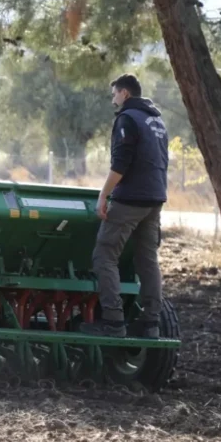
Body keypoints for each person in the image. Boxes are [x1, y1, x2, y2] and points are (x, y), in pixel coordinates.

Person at [80, 74, 169, 339]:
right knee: (147, 259)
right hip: (155, 199)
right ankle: (151, 323)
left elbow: (121, 164)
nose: (113, 100)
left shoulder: (127, 119)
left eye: (115, 94)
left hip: (130, 199)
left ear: (125, 94)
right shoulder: (157, 121)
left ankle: (113, 322)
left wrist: (103, 196)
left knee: (105, 255)